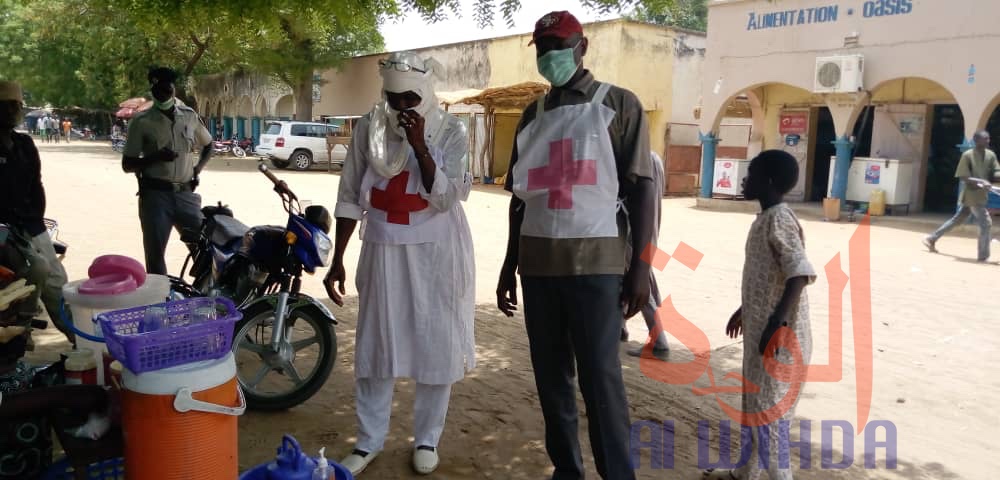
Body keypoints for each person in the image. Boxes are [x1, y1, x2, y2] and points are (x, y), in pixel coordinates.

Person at [496, 11, 656, 479]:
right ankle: (568, 471)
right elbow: (521, 200)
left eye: (558, 46)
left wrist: (641, 268)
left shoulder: (619, 105)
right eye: (542, 49)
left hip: (597, 266)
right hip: (539, 267)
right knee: (552, 383)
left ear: (582, 46)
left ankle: (617, 474)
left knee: (601, 381)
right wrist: (510, 264)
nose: (550, 56)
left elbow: (643, 188)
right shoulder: (533, 115)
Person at [325, 51, 475, 476]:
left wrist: (420, 144)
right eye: (395, 100)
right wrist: (338, 258)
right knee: (376, 344)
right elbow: (350, 195)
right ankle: (369, 439)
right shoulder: (368, 129)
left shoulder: (450, 131)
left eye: (411, 98)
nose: (403, 108)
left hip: (435, 252)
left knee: (435, 343)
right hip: (382, 247)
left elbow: (446, 198)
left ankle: (427, 438)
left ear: (425, 92)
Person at [703, 150, 816, 480]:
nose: (743, 179)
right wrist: (746, 310)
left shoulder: (779, 219)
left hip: (779, 340)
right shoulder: (767, 218)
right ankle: (743, 473)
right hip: (763, 333)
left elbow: (798, 273)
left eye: (750, 174)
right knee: (755, 407)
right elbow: (771, 275)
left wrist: (775, 323)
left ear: (767, 181)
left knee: (769, 420)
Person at [0, 81, 73, 344]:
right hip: (4, 232)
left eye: (15, 106)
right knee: (35, 271)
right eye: (4, 106)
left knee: (58, 284)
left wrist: (34, 220)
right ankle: (22, 329)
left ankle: (80, 342)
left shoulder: (24, 144)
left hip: (31, 226)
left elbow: (36, 184)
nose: (11, 111)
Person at [122, 67, 213, 275]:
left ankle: (203, 298)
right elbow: (127, 164)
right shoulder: (141, 122)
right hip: (155, 197)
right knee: (155, 257)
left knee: (203, 250)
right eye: (157, 89)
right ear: (152, 91)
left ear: (173, 89)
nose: (162, 92)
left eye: (166, 88)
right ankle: (162, 302)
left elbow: (209, 145)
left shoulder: (189, 117)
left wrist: (197, 169)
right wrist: (155, 157)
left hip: (185, 196)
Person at [622, 151, 670, 360]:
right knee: (631, 275)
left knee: (637, 279)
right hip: (645, 228)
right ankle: (620, 327)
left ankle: (659, 339)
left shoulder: (640, 160)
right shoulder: (654, 158)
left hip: (633, 229)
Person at [923, 130, 999, 262]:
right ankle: (983, 256)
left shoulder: (990, 155)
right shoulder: (967, 155)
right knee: (986, 223)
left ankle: (931, 238)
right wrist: (981, 181)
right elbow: (963, 177)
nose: (988, 141)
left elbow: (996, 171)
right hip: (971, 195)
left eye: (988, 139)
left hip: (982, 195)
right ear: (976, 140)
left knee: (957, 220)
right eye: (985, 139)